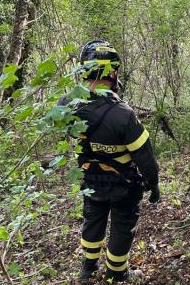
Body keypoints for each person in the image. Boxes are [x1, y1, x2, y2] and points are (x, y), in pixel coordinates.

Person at [66, 40, 160, 283]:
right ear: (111, 72)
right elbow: (145, 156)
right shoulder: (123, 114)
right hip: (123, 185)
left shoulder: (69, 106)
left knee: (93, 219)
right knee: (122, 225)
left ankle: (88, 269)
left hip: (91, 181)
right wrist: (154, 184)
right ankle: (117, 273)